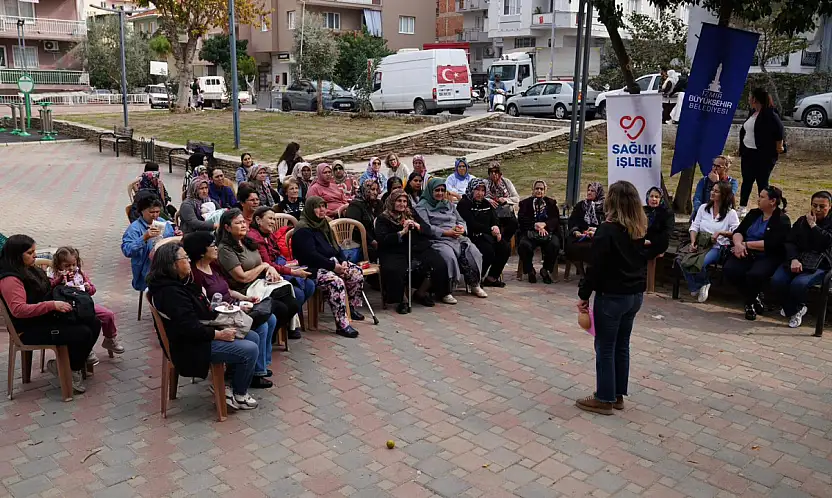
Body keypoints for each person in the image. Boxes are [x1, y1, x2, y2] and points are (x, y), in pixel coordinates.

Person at [147, 243, 259, 410]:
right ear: (172, 264)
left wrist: (215, 309)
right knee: (250, 349)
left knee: (252, 336)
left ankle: (227, 384)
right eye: (185, 258)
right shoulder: (170, 293)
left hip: (197, 334)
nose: (189, 261)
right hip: (189, 346)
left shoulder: (180, 283)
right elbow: (189, 328)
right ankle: (240, 394)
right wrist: (219, 334)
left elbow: (196, 313)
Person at [576, 181, 649, 415]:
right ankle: (617, 394)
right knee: (622, 344)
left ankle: (604, 398)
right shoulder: (638, 229)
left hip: (612, 296)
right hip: (634, 295)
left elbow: (595, 267)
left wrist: (584, 295)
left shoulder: (607, 230)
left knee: (605, 346)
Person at [0, 235, 100, 393]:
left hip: (45, 318)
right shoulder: (10, 279)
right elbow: (19, 310)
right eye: (30, 252)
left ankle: (71, 365)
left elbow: (44, 289)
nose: (35, 255)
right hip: (28, 329)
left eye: (34, 251)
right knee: (83, 333)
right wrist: (52, 305)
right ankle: (70, 370)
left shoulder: (28, 269)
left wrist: (58, 281)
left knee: (93, 322)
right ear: (16, 255)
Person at [183, 231, 277, 388]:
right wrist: (236, 307)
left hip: (233, 308)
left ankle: (260, 365)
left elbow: (227, 290)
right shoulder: (196, 276)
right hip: (220, 318)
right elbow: (205, 308)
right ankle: (255, 372)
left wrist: (245, 298)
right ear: (201, 251)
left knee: (270, 318)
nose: (216, 248)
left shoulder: (213, 266)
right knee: (261, 326)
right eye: (212, 245)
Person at [215, 209, 300, 334]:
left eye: (243, 222)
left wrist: (269, 268)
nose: (243, 225)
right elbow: (242, 277)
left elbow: (261, 263)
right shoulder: (225, 249)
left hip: (260, 283)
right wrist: (264, 266)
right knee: (281, 307)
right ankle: (269, 337)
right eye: (238, 223)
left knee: (292, 302)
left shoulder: (247, 241)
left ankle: (274, 335)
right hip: (244, 289)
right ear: (227, 227)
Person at [291, 196, 365, 338]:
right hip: (313, 268)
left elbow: (336, 247)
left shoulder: (324, 224)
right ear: (310, 209)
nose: (322, 210)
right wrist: (333, 266)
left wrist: (343, 261)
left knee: (355, 272)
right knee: (335, 282)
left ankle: (350, 308)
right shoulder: (303, 229)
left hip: (332, 263)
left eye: (324, 206)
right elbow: (311, 255)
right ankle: (342, 325)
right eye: (317, 207)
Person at [376, 189, 451, 313]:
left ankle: (421, 293)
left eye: (404, 201)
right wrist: (402, 232)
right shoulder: (383, 218)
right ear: (392, 202)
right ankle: (402, 300)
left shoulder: (411, 213)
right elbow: (383, 239)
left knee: (438, 263)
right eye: (399, 201)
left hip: (415, 247)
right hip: (394, 250)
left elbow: (427, 229)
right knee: (394, 269)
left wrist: (417, 226)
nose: (402, 204)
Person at [723, 186, 791, 320]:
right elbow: (739, 231)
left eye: (762, 197)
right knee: (730, 270)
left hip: (768, 255)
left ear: (772, 201)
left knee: (755, 275)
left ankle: (749, 303)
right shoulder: (754, 214)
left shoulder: (782, 220)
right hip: (745, 251)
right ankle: (754, 297)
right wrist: (738, 245)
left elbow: (772, 244)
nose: (758, 199)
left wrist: (745, 245)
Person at [247, 206, 315, 339]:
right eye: (270, 219)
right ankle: (285, 328)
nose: (273, 222)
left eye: (274, 219)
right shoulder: (255, 237)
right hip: (264, 276)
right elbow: (268, 264)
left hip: (278, 269)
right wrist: (292, 272)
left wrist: (288, 265)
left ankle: (289, 322)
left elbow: (278, 254)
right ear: (258, 220)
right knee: (298, 294)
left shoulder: (269, 234)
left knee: (310, 285)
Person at [416, 178, 487, 300]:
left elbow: (460, 220)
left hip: (456, 237)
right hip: (438, 239)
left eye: (442, 190)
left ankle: (474, 283)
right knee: (448, 256)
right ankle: (446, 290)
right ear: (430, 191)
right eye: (437, 190)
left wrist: (461, 229)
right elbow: (427, 227)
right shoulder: (421, 207)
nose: (440, 193)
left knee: (473, 252)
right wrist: (446, 232)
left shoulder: (448, 204)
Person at [770, 191, 832, 328]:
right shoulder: (802, 221)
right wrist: (793, 259)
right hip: (798, 259)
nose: (817, 209)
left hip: (820, 264)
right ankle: (794, 308)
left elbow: (826, 242)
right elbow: (790, 241)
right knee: (777, 280)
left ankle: (795, 309)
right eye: (814, 205)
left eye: (822, 206)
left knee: (799, 284)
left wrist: (813, 226)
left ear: (830, 206)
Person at [49, 246, 123, 357]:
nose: (71, 268)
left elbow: (92, 290)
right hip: (67, 307)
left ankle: (109, 339)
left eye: (73, 264)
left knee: (108, 315)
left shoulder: (80, 273)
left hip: (83, 304)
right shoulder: (53, 275)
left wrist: (88, 288)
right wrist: (60, 280)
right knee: (86, 323)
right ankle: (86, 350)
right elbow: (50, 289)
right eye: (67, 266)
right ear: (59, 265)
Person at [679, 182, 740, 303]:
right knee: (681, 260)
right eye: (712, 190)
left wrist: (721, 233)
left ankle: (703, 283)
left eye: (716, 191)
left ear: (724, 195)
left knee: (700, 263)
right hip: (701, 243)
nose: (712, 193)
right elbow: (694, 227)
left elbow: (737, 232)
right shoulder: (703, 208)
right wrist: (693, 242)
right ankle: (697, 286)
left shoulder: (731, 213)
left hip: (717, 246)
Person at [738, 88, 785, 216]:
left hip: (763, 155)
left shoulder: (770, 114)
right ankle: (742, 207)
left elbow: (779, 130)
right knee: (747, 180)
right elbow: (746, 130)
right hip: (748, 153)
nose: (748, 99)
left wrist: (779, 146)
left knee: (762, 182)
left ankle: (764, 208)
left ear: (755, 99)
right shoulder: (752, 112)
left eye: (750, 97)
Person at [457, 178, 510, 288]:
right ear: (471, 190)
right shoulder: (464, 204)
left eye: (482, 190)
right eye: (477, 190)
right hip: (472, 236)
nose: (480, 193)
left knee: (504, 247)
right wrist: (490, 230)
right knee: (488, 251)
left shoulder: (485, 203)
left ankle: (491, 278)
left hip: (487, 235)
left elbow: (494, 218)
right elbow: (471, 224)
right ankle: (477, 278)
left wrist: (496, 227)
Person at [122, 196, 177, 292]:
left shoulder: (162, 222)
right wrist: (144, 238)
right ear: (142, 211)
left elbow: (171, 238)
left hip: (165, 264)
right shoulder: (134, 228)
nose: (155, 215)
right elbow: (127, 251)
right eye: (151, 212)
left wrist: (176, 235)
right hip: (146, 269)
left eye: (157, 212)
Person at [517, 180, 561, 284]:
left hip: (547, 232)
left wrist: (544, 224)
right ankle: (530, 270)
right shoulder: (525, 203)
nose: (539, 191)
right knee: (524, 245)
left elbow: (555, 219)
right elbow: (521, 219)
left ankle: (545, 270)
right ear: (533, 190)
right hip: (530, 232)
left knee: (554, 244)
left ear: (545, 191)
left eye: (541, 189)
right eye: (537, 188)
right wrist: (535, 225)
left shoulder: (551, 203)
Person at [567, 182, 605, 267]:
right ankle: (581, 272)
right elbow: (572, 221)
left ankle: (591, 271)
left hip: (597, 237)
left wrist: (595, 233)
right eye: (588, 190)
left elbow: (606, 225)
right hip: (581, 235)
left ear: (599, 192)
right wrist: (576, 232)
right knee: (571, 246)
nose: (589, 193)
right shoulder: (581, 205)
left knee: (594, 248)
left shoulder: (605, 207)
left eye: (592, 191)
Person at [344, 179, 382, 261]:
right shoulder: (355, 205)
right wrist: (371, 241)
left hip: (376, 237)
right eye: (372, 189)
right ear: (365, 189)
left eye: (377, 189)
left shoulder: (378, 204)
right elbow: (356, 227)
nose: (375, 193)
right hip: (360, 240)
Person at [485, 162, 520, 242]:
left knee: (514, 223)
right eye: (491, 172)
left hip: (506, 211)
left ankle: (503, 241)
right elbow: (479, 197)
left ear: (500, 173)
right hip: (491, 211)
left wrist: (506, 200)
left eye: (496, 172)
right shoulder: (485, 183)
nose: (494, 174)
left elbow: (516, 198)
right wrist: (488, 200)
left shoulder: (506, 182)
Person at [643, 187, 673, 260]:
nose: (654, 199)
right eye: (651, 196)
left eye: (657, 197)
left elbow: (667, 233)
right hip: (643, 241)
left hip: (658, 243)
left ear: (661, 199)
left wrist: (651, 242)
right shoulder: (643, 210)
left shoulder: (667, 213)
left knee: (644, 254)